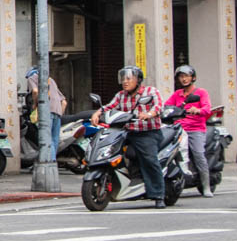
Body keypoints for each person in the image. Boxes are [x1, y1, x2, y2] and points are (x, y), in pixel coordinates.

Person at [91, 66, 167, 208]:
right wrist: (97, 113)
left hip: (147, 132)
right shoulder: (121, 95)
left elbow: (158, 106)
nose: (125, 82)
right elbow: (110, 106)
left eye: (129, 78)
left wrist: (149, 114)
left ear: (138, 80)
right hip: (127, 132)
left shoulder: (150, 91)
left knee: (150, 160)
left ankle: (158, 194)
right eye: (123, 79)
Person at [165, 64, 214, 197]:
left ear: (193, 78)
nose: (184, 79)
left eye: (186, 76)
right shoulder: (177, 94)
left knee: (199, 155)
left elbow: (207, 108)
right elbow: (167, 106)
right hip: (178, 129)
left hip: (195, 129)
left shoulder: (201, 92)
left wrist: (198, 110)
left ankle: (206, 186)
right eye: (181, 76)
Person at [26, 65, 68, 159]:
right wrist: (59, 114)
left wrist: (35, 104)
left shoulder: (32, 78)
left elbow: (35, 91)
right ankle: (52, 161)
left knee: (47, 139)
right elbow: (64, 102)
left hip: (46, 111)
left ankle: (50, 161)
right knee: (55, 139)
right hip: (57, 112)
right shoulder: (50, 80)